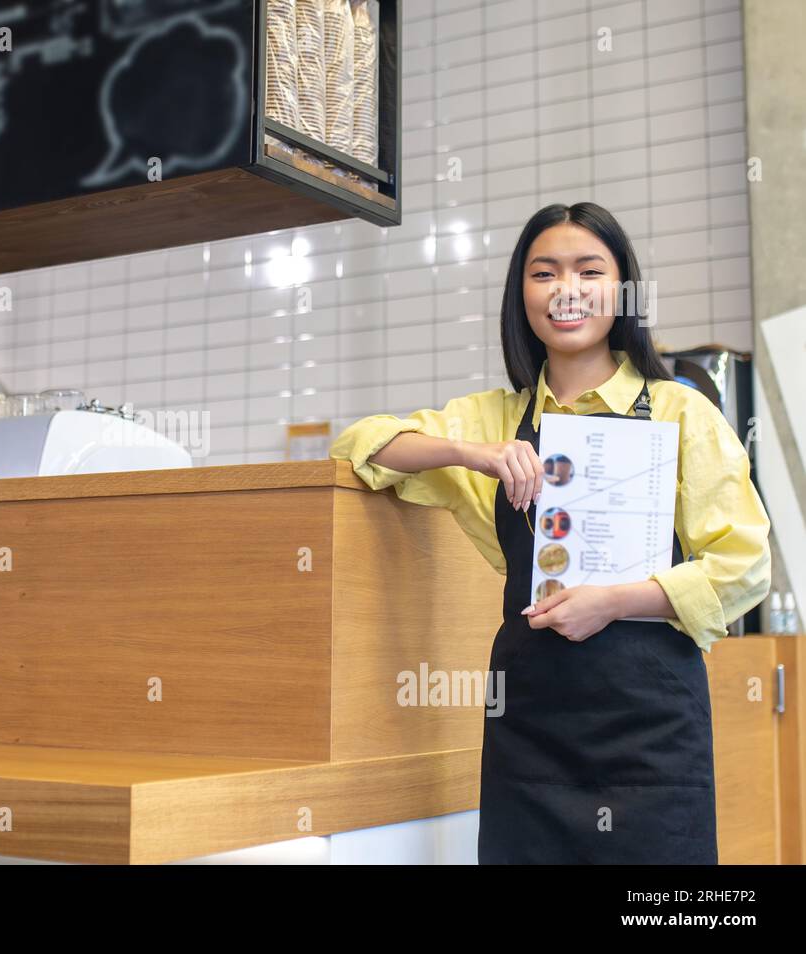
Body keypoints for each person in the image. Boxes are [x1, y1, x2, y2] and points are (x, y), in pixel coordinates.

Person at [329, 201, 772, 864]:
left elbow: (742, 566)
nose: (566, 289)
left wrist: (614, 600)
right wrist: (470, 453)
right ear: (522, 295)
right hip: (530, 727)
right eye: (544, 273)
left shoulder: (681, 411)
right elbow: (358, 445)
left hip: (651, 733)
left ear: (620, 290)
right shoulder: (495, 416)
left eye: (588, 270)